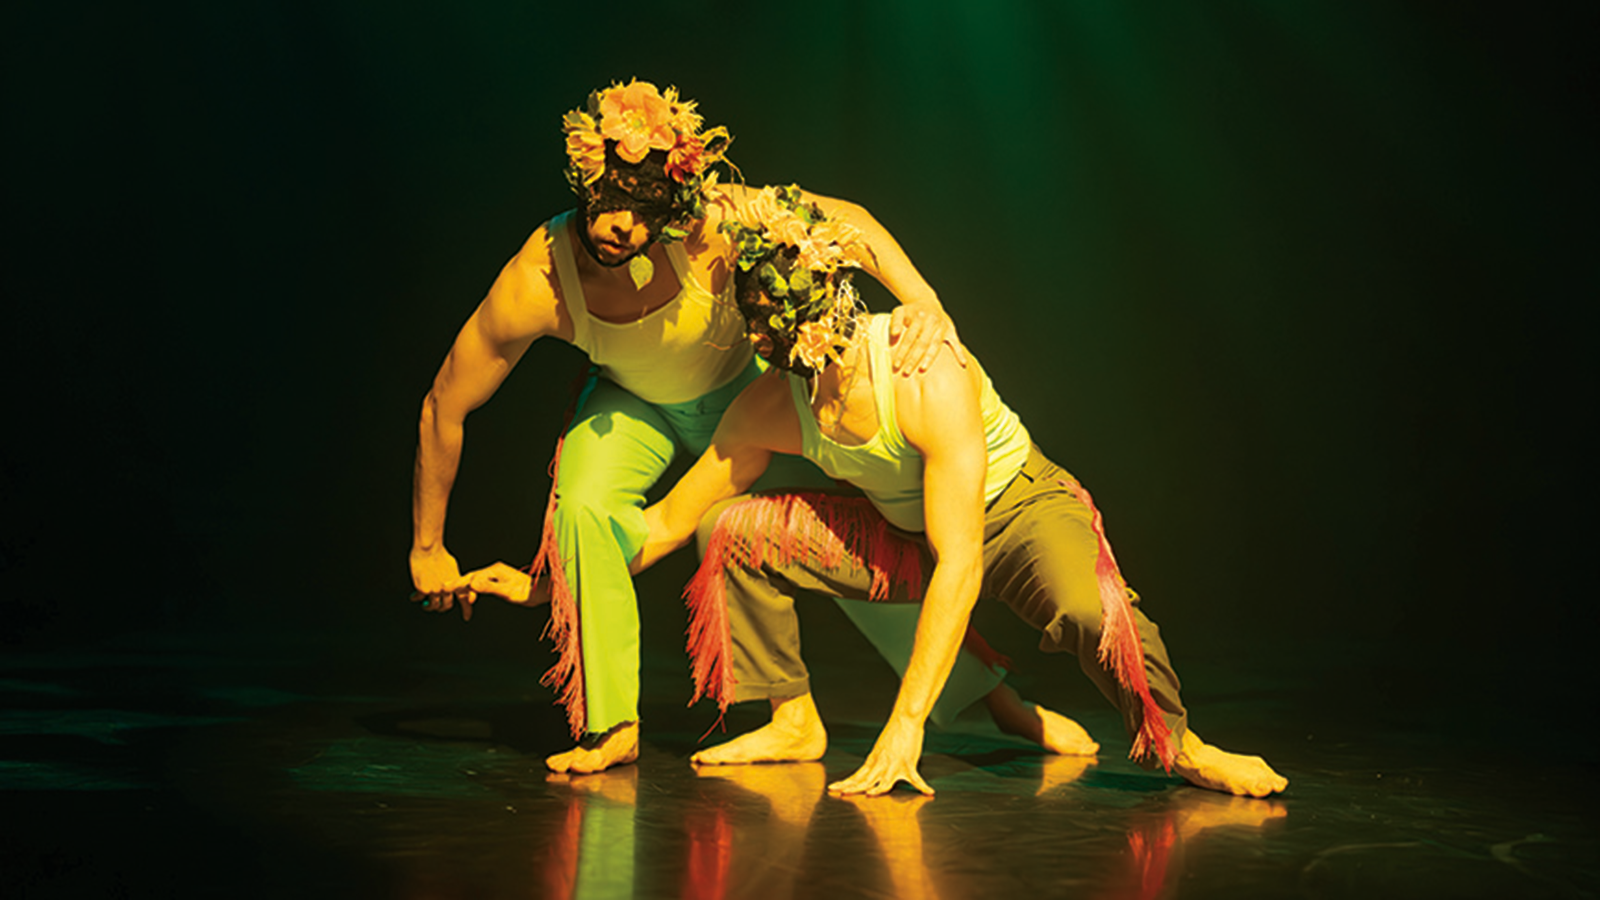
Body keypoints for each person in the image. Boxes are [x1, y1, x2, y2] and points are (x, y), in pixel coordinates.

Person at [409, 80, 1051, 775]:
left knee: (841, 537)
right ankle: (613, 726)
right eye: (607, 203)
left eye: (641, 210)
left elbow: (849, 221)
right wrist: (428, 545)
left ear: (673, 206)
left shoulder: (716, 221)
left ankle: (986, 696)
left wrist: (925, 303)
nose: (616, 227)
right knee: (582, 507)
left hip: (751, 402)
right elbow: (446, 403)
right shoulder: (541, 277)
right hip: (634, 405)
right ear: (584, 183)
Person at [579, 185, 1286, 797]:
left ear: (830, 304)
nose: (769, 342)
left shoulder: (920, 369)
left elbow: (964, 561)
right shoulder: (769, 404)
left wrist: (905, 727)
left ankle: (1184, 747)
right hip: (905, 533)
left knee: (1088, 612)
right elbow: (670, 519)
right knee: (732, 529)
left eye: (782, 320)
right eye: (757, 324)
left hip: (1014, 513)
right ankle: (792, 721)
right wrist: (552, 584)